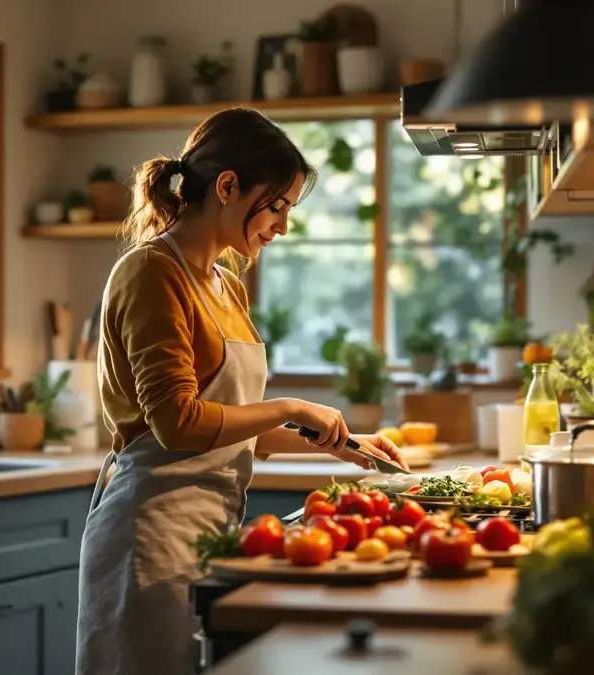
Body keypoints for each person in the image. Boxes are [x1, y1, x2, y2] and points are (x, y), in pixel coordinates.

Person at [75, 108, 408, 675]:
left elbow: (233, 431)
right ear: (227, 186)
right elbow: (179, 425)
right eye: (276, 206)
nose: (282, 225)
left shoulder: (226, 284)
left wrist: (347, 444)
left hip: (211, 532)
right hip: (149, 537)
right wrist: (295, 406)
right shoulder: (151, 273)